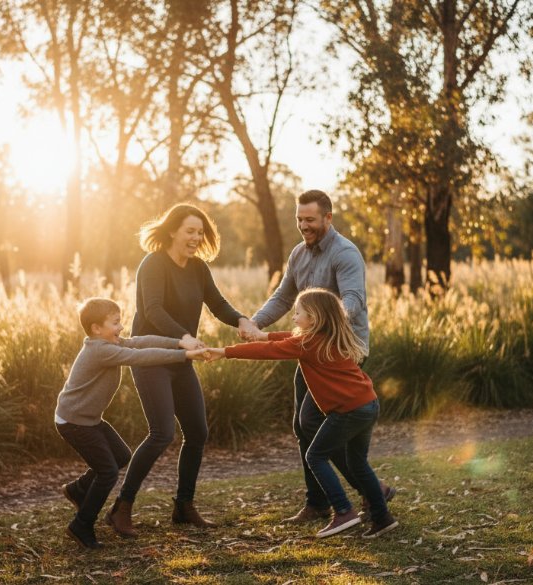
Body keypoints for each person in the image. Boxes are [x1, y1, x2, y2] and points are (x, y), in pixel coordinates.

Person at [237, 189, 393, 523]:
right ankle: (321, 502)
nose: (304, 225)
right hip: (309, 347)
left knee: (311, 423)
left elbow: (353, 300)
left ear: (327, 218)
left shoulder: (345, 254)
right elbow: (283, 296)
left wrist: (323, 325)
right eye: (299, 219)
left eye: (310, 219)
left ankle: (365, 493)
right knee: (303, 424)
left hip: (341, 350)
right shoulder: (298, 254)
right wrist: (255, 323)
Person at [105, 203, 256, 537]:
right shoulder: (153, 264)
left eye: (200, 232)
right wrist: (185, 337)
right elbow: (152, 310)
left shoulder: (198, 268)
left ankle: (184, 507)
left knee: (197, 431)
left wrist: (242, 319)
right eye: (190, 231)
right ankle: (122, 508)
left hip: (180, 358)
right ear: (173, 230)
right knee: (162, 433)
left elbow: (217, 304)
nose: (195, 238)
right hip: (151, 356)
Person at [208, 288, 398, 538]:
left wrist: (224, 352)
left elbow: (271, 351)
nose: (294, 317)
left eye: (298, 313)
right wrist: (263, 336)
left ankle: (343, 511)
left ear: (315, 318)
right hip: (367, 405)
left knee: (316, 456)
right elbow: (289, 337)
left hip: (348, 411)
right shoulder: (331, 335)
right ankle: (382, 518)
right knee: (358, 462)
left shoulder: (307, 343)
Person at [55, 297, 207, 549]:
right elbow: (142, 356)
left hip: (88, 419)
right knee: (108, 472)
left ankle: (79, 490)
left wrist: (179, 341)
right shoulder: (100, 350)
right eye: (115, 323)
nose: (122, 328)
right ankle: (81, 525)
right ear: (96, 329)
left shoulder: (107, 341)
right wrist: (185, 355)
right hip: (74, 421)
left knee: (121, 455)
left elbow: (142, 341)